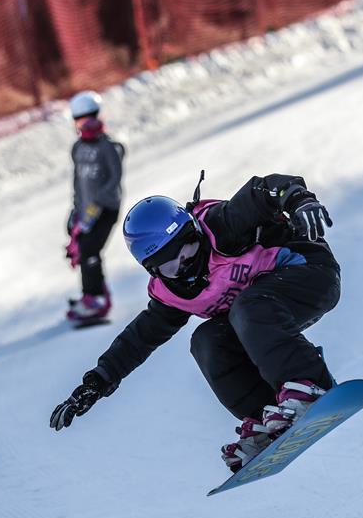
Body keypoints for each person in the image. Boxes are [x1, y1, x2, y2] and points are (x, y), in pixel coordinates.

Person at [50, 172, 340, 472]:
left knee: (246, 307)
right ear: (154, 271)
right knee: (206, 341)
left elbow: (265, 190)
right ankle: (271, 414)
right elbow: (137, 340)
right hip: (260, 311)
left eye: (187, 247)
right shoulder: (172, 293)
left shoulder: (221, 227)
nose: (185, 265)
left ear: (194, 231)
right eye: (168, 265)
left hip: (309, 275)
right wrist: (96, 383)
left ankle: (308, 386)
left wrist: (298, 200)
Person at [64, 90, 125, 322]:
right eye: (81, 120)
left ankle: (96, 297)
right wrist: (76, 212)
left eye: (91, 118)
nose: (87, 124)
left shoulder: (107, 147)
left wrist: (96, 205)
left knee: (90, 248)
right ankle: (91, 293)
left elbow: (114, 179)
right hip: (85, 211)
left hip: (106, 209)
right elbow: (78, 184)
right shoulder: (78, 148)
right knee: (82, 248)